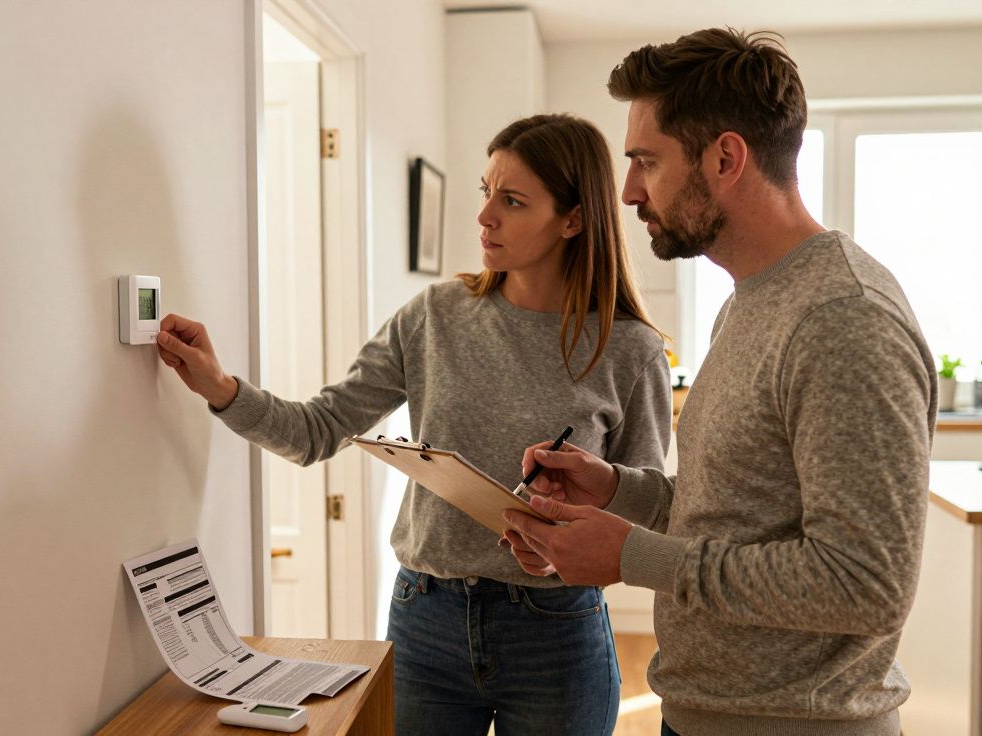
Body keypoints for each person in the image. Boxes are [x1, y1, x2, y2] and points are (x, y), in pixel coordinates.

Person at [154, 113, 673, 735]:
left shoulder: (631, 350)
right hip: (426, 621)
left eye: (512, 201)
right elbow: (317, 429)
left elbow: (644, 511)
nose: (484, 216)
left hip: (556, 634)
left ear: (574, 219)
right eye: (486, 192)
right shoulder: (434, 316)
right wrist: (220, 387)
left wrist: (563, 546)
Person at [501, 29, 937, 736]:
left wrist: (630, 555)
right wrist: (614, 489)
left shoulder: (842, 319)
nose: (629, 192)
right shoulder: (751, 300)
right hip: (709, 714)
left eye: (646, 161)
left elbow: (866, 584)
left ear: (725, 158)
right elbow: (734, 511)